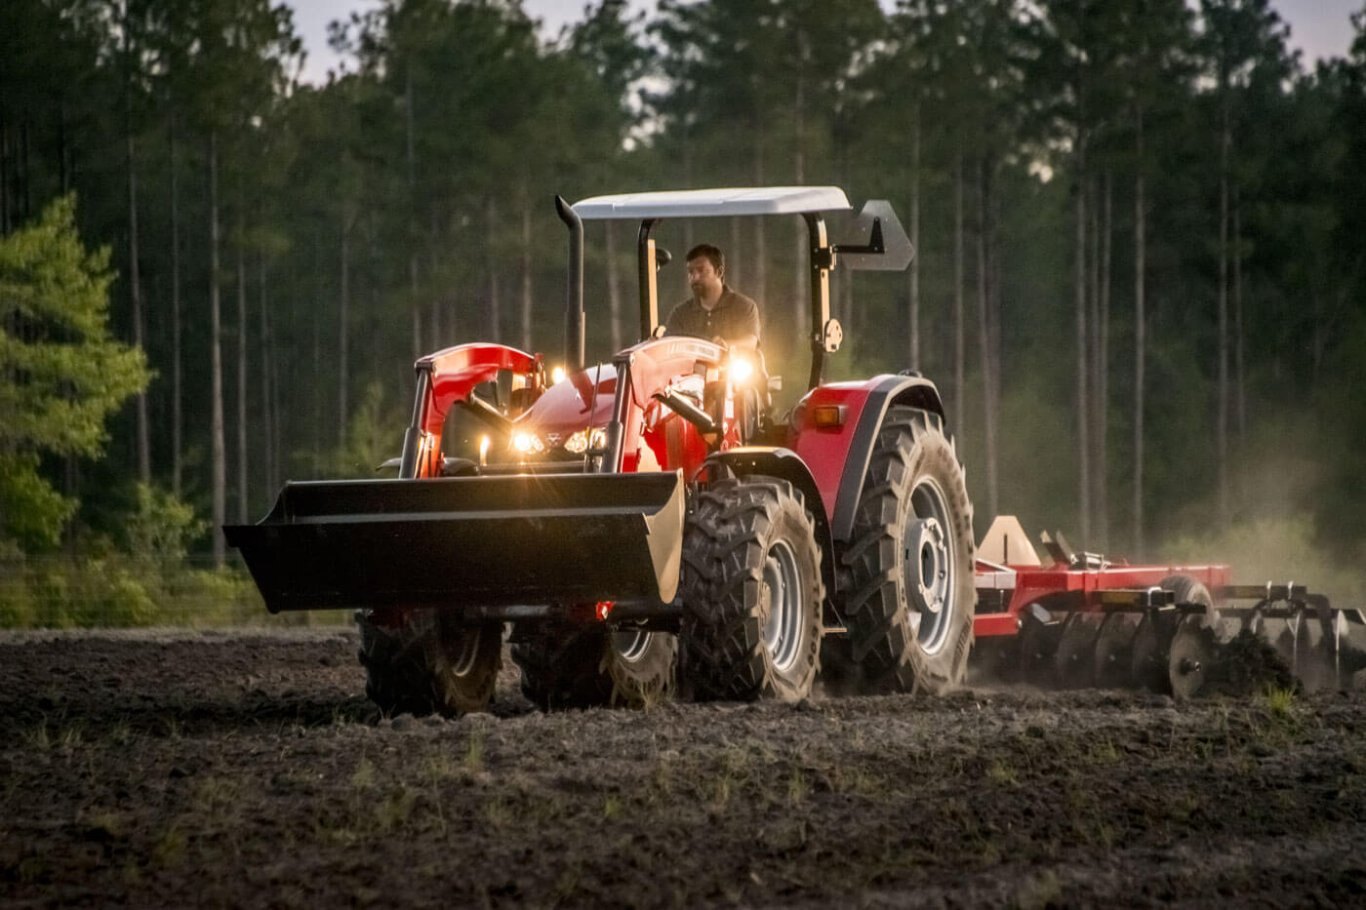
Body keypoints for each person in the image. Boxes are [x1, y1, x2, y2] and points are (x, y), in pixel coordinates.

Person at [664, 244, 760, 350]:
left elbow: (751, 342)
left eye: (701, 270)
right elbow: (667, 345)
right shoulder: (680, 314)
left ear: (719, 272)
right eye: (691, 272)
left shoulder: (743, 306)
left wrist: (725, 345)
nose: (694, 277)